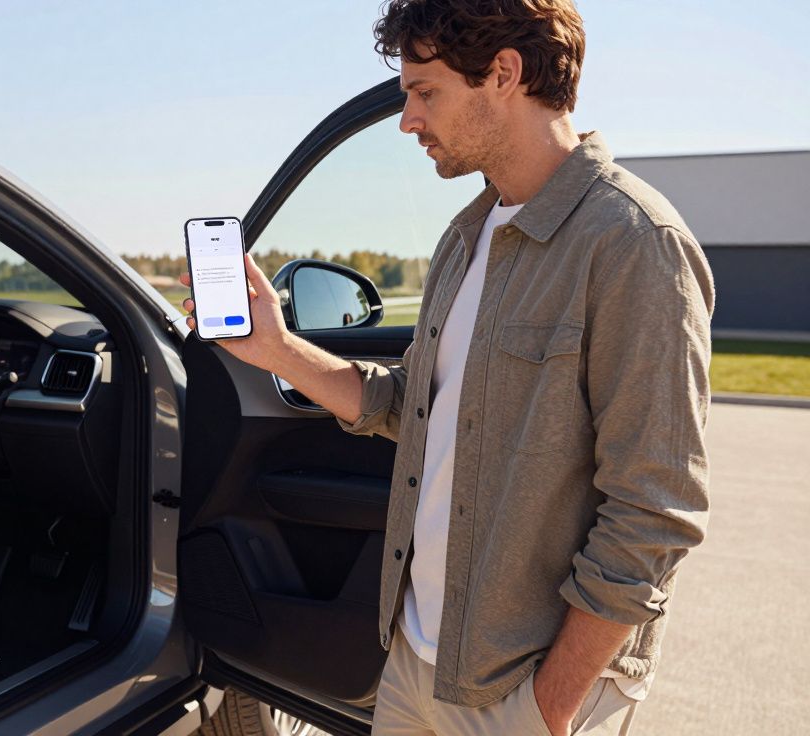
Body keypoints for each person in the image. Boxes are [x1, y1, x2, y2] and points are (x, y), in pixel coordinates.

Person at [180, 1, 714, 734]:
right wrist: (275, 349)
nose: (408, 120)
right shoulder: (465, 238)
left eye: (424, 92)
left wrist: (550, 705)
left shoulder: (633, 244)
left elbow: (655, 510)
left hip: (526, 689)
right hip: (415, 661)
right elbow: (413, 405)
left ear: (504, 73)